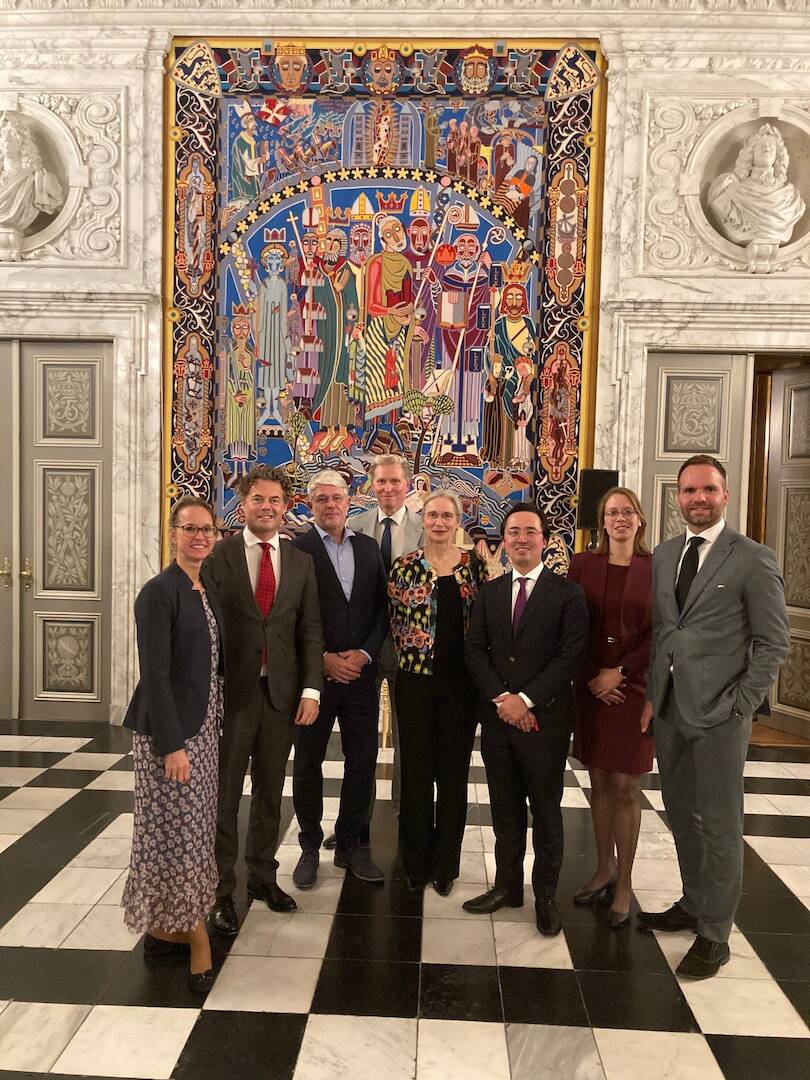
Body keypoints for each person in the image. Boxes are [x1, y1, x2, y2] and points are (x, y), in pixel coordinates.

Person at [638, 455, 789, 977]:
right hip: (672, 709)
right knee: (680, 814)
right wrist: (655, 694)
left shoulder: (752, 558)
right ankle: (694, 900)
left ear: (725, 495)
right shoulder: (664, 554)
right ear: (677, 498)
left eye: (708, 490)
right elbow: (665, 630)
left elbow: (773, 642)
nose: (698, 499)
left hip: (722, 714)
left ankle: (715, 932)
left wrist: (742, 703)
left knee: (720, 824)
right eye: (688, 491)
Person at [205, 465, 324, 935]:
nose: (267, 507)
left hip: (281, 693)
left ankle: (260, 878)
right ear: (244, 503)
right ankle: (220, 889)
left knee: (271, 793)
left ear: (287, 505)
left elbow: (310, 630)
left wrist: (312, 688)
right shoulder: (221, 556)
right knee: (226, 794)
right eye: (258, 499)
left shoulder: (300, 563)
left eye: (276, 500)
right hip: (234, 693)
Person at [463, 503, 588, 935]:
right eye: (513, 532)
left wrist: (527, 700)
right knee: (504, 809)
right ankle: (507, 886)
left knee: (547, 813)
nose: (521, 539)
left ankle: (545, 896)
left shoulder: (567, 594)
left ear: (546, 539)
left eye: (530, 532)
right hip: (499, 721)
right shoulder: (490, 592)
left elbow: (569, 657)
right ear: (504, 539)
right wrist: (504, 699)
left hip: (546, 723)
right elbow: (475, 650)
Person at [121, 496, 224, 994]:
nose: (199, 537)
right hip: (172, 736)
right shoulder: (157, 593)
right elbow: (156, 676)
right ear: (173, 533)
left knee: (191, 834)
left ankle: (164, 928)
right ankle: (198, 942)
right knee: (175, 839)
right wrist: (172, 746)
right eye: (190, 529)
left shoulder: (203, 588)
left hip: (201, 730)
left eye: (207, 529)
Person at [319, 453, 423, 851]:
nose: (388, 489)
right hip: (360, 650)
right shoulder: (354, 526)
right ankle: (353, 824)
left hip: (409, 650)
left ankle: (405, 816)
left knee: (406, 738)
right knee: (359, 745)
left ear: (407, 484)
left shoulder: (424, 528)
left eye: (395, 482)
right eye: (381, 482)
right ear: (370, 486)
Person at [291, 470, 389, 889]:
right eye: (321, 500)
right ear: (310, 506)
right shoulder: (296, 550)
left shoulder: (368, 549)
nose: (330, 506)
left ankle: (350, 844)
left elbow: (383, 611)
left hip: (362, 676)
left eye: (337, 498)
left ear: (350, 501)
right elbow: (288, 617)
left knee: (363, 761)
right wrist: (323, 659)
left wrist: (365, 653)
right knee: (309, 763)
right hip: (316, 680)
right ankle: (310, 846)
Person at [388, 490, 487, 894]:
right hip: (414, 681)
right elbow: (394, 621)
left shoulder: (474, 567)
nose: (440, 522)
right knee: (414, 772)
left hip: (462, 685)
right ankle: (414, 861)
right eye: (433, 515)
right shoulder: (405, 567)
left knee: (452, 775)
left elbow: (484, 624)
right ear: (422, 519)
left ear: (457, 521)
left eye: (447, 515)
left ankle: (446, 864)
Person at [568, 487, 653, 928]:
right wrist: (592, 677)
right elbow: (571, 624)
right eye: (612, 513)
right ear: (602, 521)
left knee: (626, 788)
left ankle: (625, 883)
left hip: (634, 688)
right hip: (589, 687)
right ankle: (604, 868)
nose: (620, 519)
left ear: (639, 520)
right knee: (597, 781)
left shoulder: (657, 568)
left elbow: (662, 633)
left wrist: (619, 672)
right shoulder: (583, 565)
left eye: (628, 512)